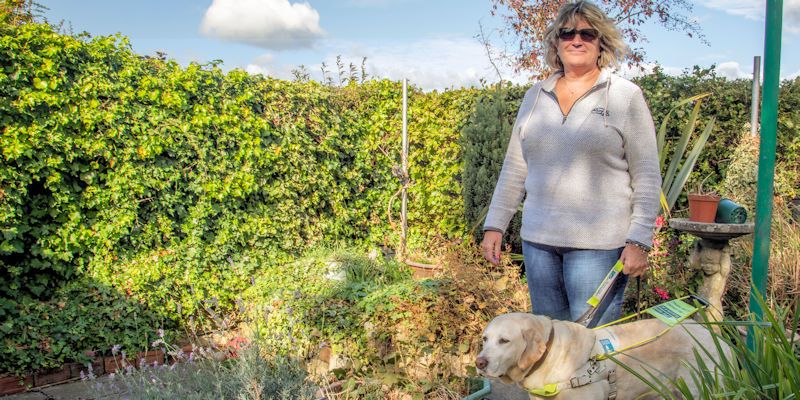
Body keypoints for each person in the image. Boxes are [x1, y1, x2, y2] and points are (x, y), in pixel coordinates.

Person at [480, 0, 661, 327]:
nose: (576, 40)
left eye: (587, 34)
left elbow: (647, 175)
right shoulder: (534, 96)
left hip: (599, 248)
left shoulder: (624, 96)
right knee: (550, 346)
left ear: (600, 42)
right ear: (556, 42)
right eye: (567, 33)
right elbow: (515, 168)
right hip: (539, 244)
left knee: (592, 350)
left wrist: (639, 240)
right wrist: (495, 226)